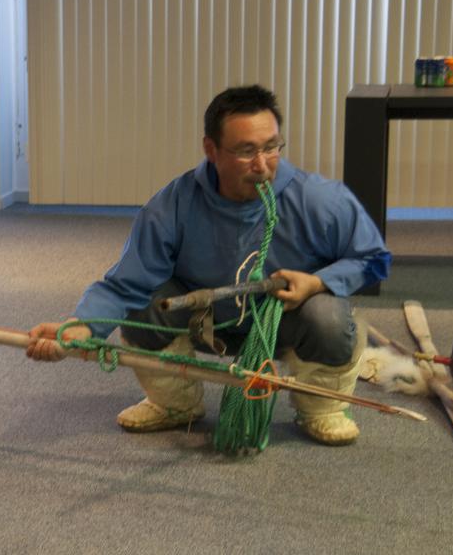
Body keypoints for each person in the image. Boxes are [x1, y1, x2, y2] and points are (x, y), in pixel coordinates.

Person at [26, 85, 391, 446]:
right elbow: (126, 284)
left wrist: (317, 282)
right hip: (208, 323)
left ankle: (322, 409)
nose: (262, 165)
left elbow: (374, 259)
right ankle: (174, 404)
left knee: (327, 314)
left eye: (271, 147)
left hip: (287, 326)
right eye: (246, 151)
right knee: (144, 304)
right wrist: (82, 326)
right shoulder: (173, 204)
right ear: (211, 149)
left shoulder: (321, 199)